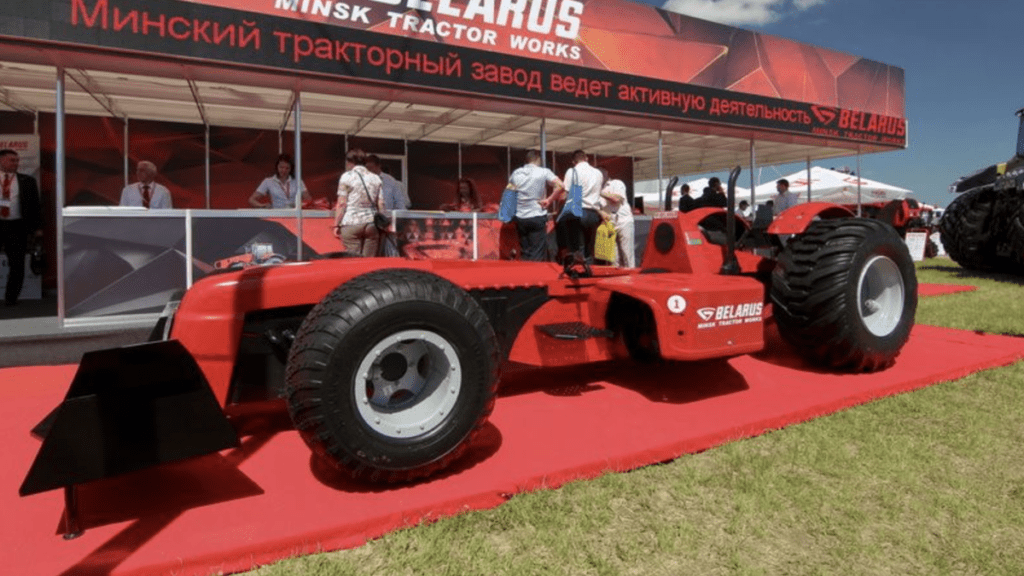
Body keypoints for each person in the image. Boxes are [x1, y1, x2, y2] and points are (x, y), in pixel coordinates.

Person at [0, 149, 43, 306]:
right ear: (1, 160)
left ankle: (11, 298)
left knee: (17, 263)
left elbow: (35, 206)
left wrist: (38, 228)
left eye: (17, 161)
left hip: (17, 226)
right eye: (12, 160)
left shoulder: (27, 181)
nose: (16, 164)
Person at [508, 149, 563, 261]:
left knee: (525, 250)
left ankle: (525, 275)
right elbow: (560, 185)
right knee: (537, 252)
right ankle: (535, 276)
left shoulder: (516, 173)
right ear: (538, 159)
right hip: (537, 214)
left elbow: (510, 192)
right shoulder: (544, 172)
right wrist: (549, 200)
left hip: (521, 216)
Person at [550, 149, 603, 265]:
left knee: (576, 248)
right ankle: (588, 272)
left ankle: (578, 273)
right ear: (587, 158)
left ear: (574, 161)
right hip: (593, 214)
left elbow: (566, 194)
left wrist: (558, 207)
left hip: (577, 212)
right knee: (589, 247)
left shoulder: (572, 171)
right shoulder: (598, 173)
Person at [333, 149, 385, 257]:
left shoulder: (346, 177)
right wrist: (383, 222)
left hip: (351, 223)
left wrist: (336, 225)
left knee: (354, 261)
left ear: (350, 161)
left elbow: (342, 204)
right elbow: (381, 203)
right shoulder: (376, 178)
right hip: (371, 224)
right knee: (369, 262)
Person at [366, 154, 406, 257]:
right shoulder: (365, 181)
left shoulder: (390, 181)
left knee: (388, 255)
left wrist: (397, 223)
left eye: (371, 168)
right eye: (367, 168)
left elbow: (400, 204)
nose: (369, 171)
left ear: (378, 166)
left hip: (387, 223)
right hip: (369, 223)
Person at [599, 173, 635, 268]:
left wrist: (599, 192)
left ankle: (631, 277)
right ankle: (616, 278)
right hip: (609, 223)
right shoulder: (598, 189)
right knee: (613, 257)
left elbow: (616, 199)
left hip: (623, 221)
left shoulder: (616, 183)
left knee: (627, 253)